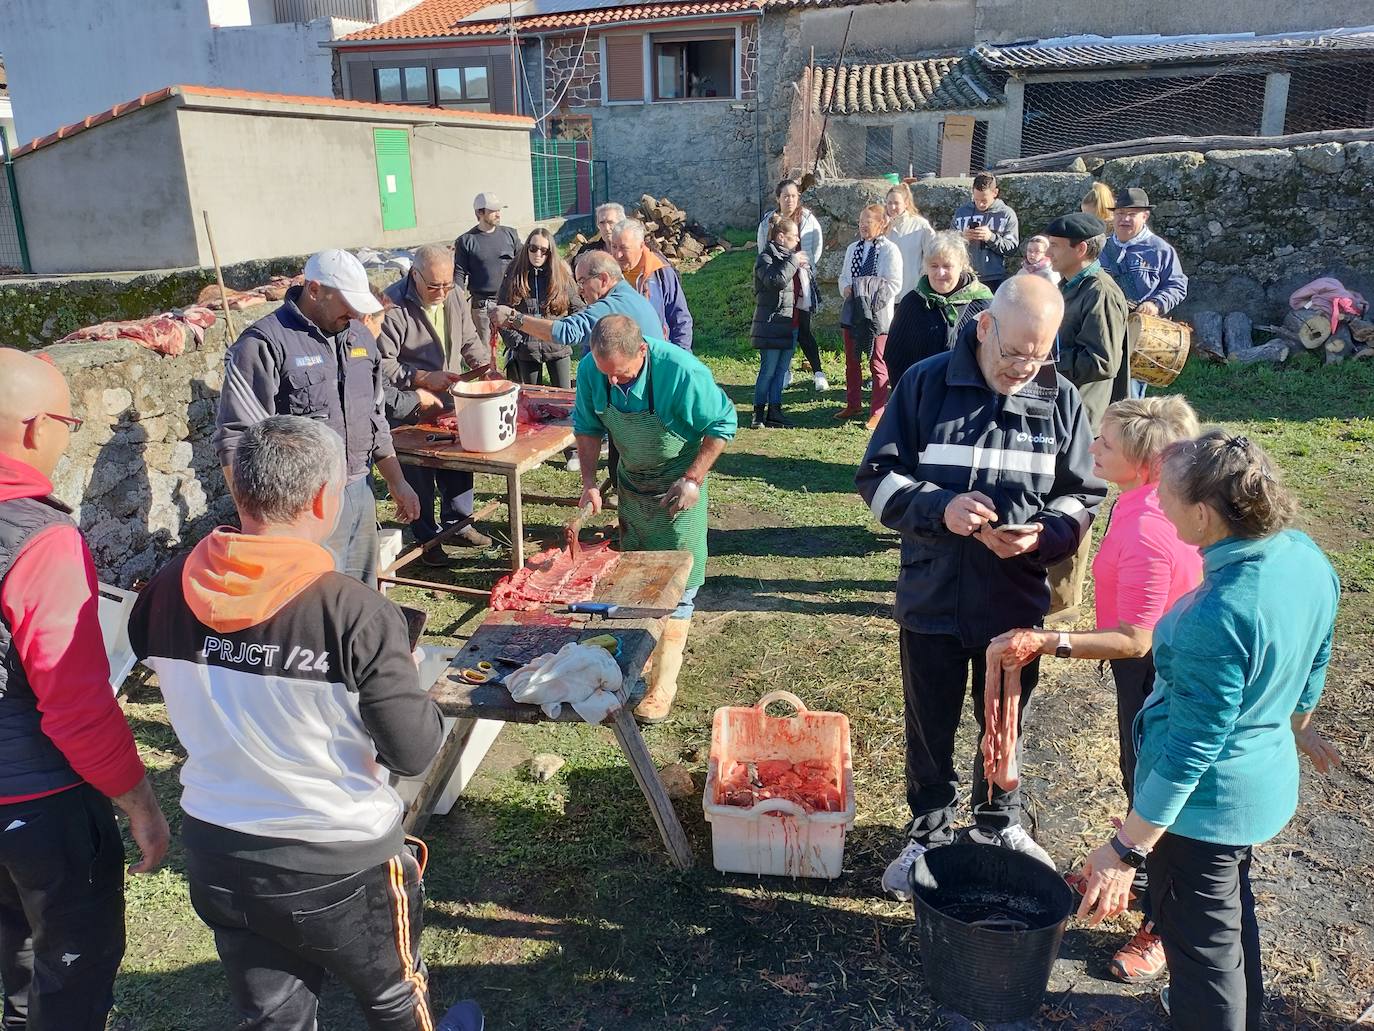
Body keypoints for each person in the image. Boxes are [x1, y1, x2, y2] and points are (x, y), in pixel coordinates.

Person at [128, 415, 447, 1031]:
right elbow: (414, 751)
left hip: (221, 848)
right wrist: (409, 679)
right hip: (340, 859)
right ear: (326, 499)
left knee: (271, 1016)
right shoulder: (354, 611)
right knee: (392, 999)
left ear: (236, 486)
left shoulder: (166, 588)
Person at [1072, 430, 1340, 1031]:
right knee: (1227, 911)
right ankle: (1244, 1010)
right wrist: (1296, 724)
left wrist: (1124, 849)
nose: (1158, 506)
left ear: (1201, 513)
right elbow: (1316, 655)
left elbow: (1191, 751)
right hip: (1262, 782)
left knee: (1203, 948)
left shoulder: (1214, 617)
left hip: (1204, 809)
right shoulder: (1300, 554)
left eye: (1166, 497)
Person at [855, 276, 1107, 897]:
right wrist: (938, 508)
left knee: (1005, 717)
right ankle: (930, 829)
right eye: (1014, 352)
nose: (1025, 367)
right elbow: (877, 477)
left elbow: (1084, 496)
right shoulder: (925, 383)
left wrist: (1045, 535)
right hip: (933, 593)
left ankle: (998, 819)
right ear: (986, 327)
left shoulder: (1063, 398)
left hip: (1012, 597)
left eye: (1040, 353)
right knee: (929, 720)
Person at [987, 395, 1202, 984]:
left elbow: (1135, 639)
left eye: (1104, 444)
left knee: (1163, 793)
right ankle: (1150, 883)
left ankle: (1167, 924)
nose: (1090, 450)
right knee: (1142, 781)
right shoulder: (1143, 500)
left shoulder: (1152, 528)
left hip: (1162, 675)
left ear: (1145, 460)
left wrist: (1049, 641)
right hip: (1150, 670)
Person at [0, 348, 169, 1031]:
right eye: (71, 419)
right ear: (37, 428)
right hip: (40, 803)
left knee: (11, 954)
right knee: (71, 969)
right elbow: (75, 702)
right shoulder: (40, 539)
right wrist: (141, 802)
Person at [215, 249, 421, 588]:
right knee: (311, 597)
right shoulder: (263, 344)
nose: (355, 313)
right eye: (347, 303)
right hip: (298, 508)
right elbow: (236, 439)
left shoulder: (360, 338)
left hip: (358, 490)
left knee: (360, 595)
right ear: (314, 290)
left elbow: (374, 417)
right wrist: (256, 526)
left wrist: (397, 483)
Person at [572, 316, 736, 723]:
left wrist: (693, 478)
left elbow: (723, 423)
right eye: (605, 374)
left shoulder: (682, 372)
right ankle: (640, 657)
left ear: (642, 352)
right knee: (637, 582)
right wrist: (590, 482)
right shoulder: (592, 370)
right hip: (632, 486)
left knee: (679, 587)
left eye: (622, 375)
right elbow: (588, 427)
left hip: (678, 489)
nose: (612, 383)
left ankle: (664, 686)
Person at [379, 244, 495, 565]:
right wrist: (422, 379)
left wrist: (487, 369)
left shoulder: (455, 294)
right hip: (409, 407)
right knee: (418, 471)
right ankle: (427, 539)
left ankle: (459, 523)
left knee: (458, 462)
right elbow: (383, 364)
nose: (441, 292)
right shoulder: (393, 306)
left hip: (449, 400)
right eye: (433, 286)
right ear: (414, 275)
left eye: (446, 284)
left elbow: (469, 339)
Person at [1044, 212, 1129, 618]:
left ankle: (1064, 603)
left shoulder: (1100, 291)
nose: (1049, 251)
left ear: (1081, 249)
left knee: (1073, 500)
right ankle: (1050, 588)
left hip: (1086, 418)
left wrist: (1046, 362)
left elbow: (1103, 360)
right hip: (1065, 411)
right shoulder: (1072, 286)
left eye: (1057, 246)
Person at [490, 250, 660, 355]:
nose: (580, 290)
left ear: (603, 279)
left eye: (582, 281)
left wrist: (513, 318)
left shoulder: (611, 307)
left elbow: (566, 331)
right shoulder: (630, 296)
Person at [884, 230, 993, 389]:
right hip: (922, 397)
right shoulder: (912, 303)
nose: (939, 273)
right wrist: (907, 398)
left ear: (962, 265)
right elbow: (895, 357)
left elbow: (996, 357)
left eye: (947, 266)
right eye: (934, 266)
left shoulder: (983, 304)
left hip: (970, 397)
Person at [756, 179, 828, 391]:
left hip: (799, 280)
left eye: (794, 196)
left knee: (803, 328)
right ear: (778, 198)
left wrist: (807, 265)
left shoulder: (806, 219)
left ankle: (818, 372)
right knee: (782, 327)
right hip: (778, 281)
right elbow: (762, 248)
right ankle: (785, 371)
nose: (790, 200)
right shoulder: (769, 221)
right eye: (786, 196)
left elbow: (816, 246)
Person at [836, 204, 902, 429]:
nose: (863, 225)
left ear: (882, 223)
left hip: (878, 315)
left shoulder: (889, 250)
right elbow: (844, 277)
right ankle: (853, 403)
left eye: (869, 221)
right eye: (861, 221)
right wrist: (847, 289)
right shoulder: (853, 248)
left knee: (877, 362)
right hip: (853, 311)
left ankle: (878, 410)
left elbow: (894, 284)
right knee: (852, 360)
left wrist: (870, 295)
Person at [1100, 187, 1189, 319]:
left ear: (1145, 217)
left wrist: (1155, 304)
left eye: (1131, 214)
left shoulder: (1160, 250)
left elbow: (1177, 285)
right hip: (1104, 324)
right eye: (1120, 213)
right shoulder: (1100, 248)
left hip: (1142, 327)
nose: (1125, 219)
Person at [610, 218, 694, 349]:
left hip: (656, 351)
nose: (617, 255)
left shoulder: (661, 271)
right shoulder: (606, 274)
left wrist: (682, 354)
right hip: (618, 355)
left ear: (641, 245)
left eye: (624, 248)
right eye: (614, 246)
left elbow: (680, 317)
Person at [453, 191, 521, 351]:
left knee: (519, 345)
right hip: (483, 305)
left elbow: (523, 263)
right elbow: (459, 274)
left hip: (512, 301)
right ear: (479, 212)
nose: (498, 214)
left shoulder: (510, 234)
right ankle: (489, 374)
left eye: (499, 209)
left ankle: (515, 375)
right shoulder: (466, 241)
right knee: (485, 350)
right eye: (493, 210)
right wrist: (457, 301)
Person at [751, 217, 802, 429]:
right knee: (768, 370)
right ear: (781, 237)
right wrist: (794, 261)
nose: (798, 240)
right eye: (794, 236)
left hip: (789, 322)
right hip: (771, 324)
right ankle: (758, 414)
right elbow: (775, 281)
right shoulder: (766, 257)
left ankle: (775, 411)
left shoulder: (790, 258)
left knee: (781, 371)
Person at [951, 172, 1020, 293]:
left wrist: (990, 237)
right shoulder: (962, 212)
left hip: (993, 278)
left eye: (984, 200)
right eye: (976, 199)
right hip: (964, 276)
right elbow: (948, 243)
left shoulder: (1007, 214)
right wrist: (962, 237)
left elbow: (1011, 248)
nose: (980, 204)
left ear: (995, 193)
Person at [884, 182, 935, 299]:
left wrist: (923, 280)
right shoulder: (881, 226)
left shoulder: (920, 225)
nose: (892, 207)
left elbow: (931, 254)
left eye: (896, 203)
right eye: (889, 203)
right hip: (887, 294)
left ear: (906, 203)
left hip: (912, 291)